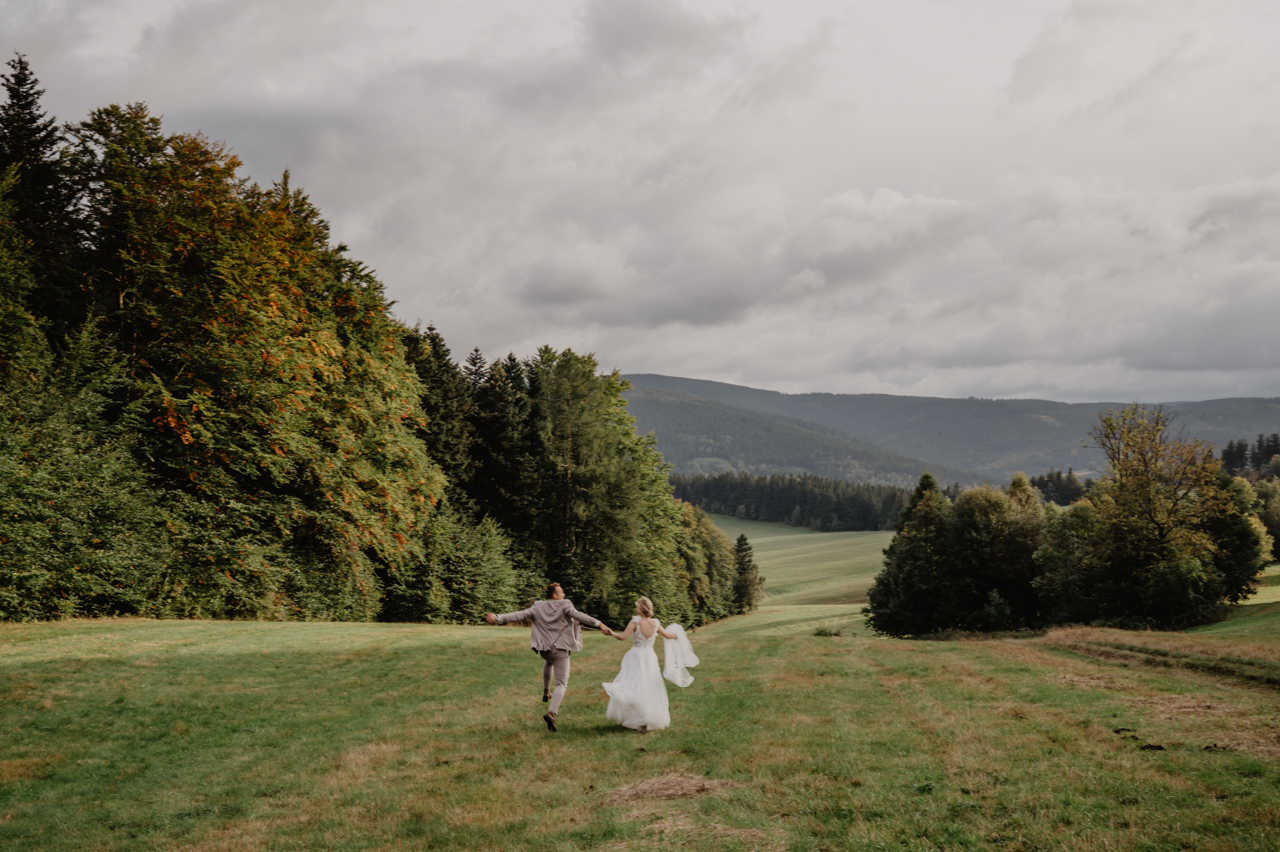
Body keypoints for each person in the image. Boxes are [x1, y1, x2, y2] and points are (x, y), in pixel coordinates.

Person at [485, 583, 613, 732]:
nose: (564, 595)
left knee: (548, 662)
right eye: (562, 592)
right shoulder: (565, 605)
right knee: (561, 683)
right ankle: (551, 713)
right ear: (555, 596)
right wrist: (600, 624)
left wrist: (498, 617)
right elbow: (580, 616)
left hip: (544, 650)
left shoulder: (538, 607)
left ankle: (546, 691)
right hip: (560, 650)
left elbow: (519, 614)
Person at [601, 596, 698, 733]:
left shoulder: (635, 621)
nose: (635, 609)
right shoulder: (656, 623)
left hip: (635, 656)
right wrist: (679, 636)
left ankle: (638, 717)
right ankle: (645, 719)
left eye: (636, 606)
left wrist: (611, 633)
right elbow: (668, 636)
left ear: (641, 608)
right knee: (649, 686)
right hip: (650, 657)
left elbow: (623, 637)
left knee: (633, 684)